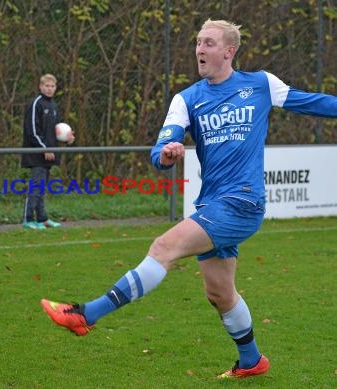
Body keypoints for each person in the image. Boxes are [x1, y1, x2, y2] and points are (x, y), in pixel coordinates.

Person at [40, 19, 337, 379]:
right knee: (220, 294)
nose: (200, 49)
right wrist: (167, 153)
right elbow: (159, 150)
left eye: (209, 43)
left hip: (243, 202)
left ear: (229, 51)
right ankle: (252, 361)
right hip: (212, 205)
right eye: (198, 42)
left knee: (163, 247)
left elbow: (313, 103)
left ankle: (86, 314)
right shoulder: (187, 99)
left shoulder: (260, 84)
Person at [21, 74, 75, 229]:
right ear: (41, 86)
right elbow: (32, 130)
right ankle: (28, 219)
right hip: (37, 153)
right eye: (47, 86)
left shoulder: (53, 106)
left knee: (42, 188)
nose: (50, 89)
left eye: (52, 86)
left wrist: (68, 136)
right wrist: (44, 148)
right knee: (36, 186)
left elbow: (56, 130)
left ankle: (42, 218)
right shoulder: (36, 104)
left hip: (49, 154)